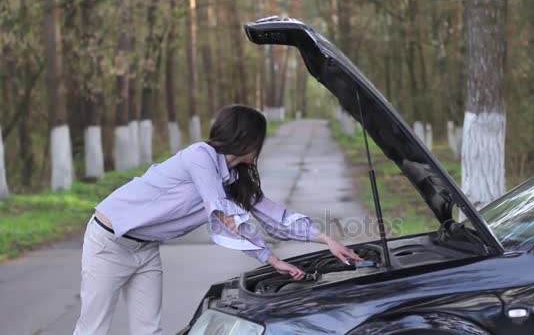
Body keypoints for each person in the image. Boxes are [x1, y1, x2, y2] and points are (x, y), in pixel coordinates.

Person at [73, 105, 362, 335]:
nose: (261, 146)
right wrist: (270, 258)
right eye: (260, 139)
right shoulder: (200, 156)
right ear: (246, 138)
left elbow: (276, 216)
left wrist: (326, 239)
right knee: (93, 327)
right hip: (109, 242)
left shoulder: (235, 177)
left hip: (145, 249)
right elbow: (221, 213)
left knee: (149, 329)